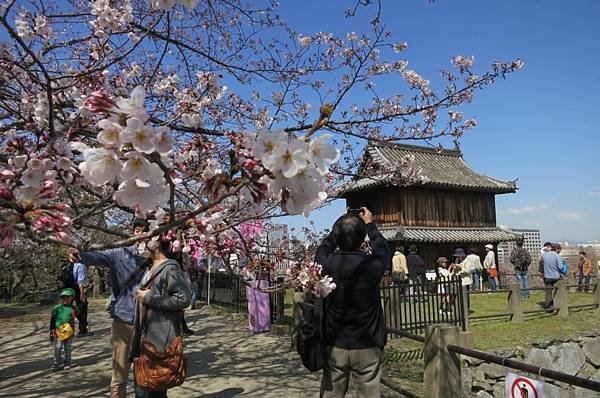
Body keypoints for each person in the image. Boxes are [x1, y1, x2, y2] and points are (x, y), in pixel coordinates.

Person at [69, 218, 150, 398]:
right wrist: (79, 254)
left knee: (144, 373)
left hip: (149, 322)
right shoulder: (120, 253)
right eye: (138, 229)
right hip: (124, 319)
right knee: (119, 373)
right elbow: (98, 257)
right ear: (133, 232)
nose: (142, 233)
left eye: (146, 230)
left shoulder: (157, 256)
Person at [315, 207, 389, 398]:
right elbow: (382, 248)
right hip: (367, 343)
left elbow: (322, 248)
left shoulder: (327, 264)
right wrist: (370, 225)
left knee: (332, 393)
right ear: (362, 238)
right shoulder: (372, 265)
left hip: (335, 343)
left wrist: (338, 228)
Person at [130, 234, 192, 398]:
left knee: (153, 386)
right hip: (145, 337)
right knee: (143, 385)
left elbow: (184, 298)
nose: (143, 242)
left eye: (148, 238)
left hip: (160, 338)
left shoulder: (170, 268)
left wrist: (148, 298)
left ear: (157, 243)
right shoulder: (150, 266)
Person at [49, 288, 78, 371]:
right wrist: (51, 330)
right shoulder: (57, 308)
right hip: (58, 332)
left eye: (67, 297)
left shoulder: (73, 308)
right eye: (63, 297)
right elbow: (52, 319)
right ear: (60, 298)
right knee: (57, 348)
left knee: (67, 348)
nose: (65, 299)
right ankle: (56, 363)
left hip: (69, 332)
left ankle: (67, 362)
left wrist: (85, 324)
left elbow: (80, 316)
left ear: (71, 298)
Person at [541, 243, 566, 310]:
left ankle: (549, 307)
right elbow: (560, 267)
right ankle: (558, 305)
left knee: (548, 292)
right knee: (557, 291)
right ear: (556, 249)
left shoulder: (544, 255)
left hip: (547, 277)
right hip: (556, 277)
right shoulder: (558, 256)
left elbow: (542, 253)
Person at [72, 261, 90, 335]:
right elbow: (80, 282)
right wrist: (82, 293)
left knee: (77, 308)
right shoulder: (81, 266)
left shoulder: (72, 265)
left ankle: (83, 327)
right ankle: (83, 327)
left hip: (71, 288)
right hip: (78, 289)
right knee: (82, 307)